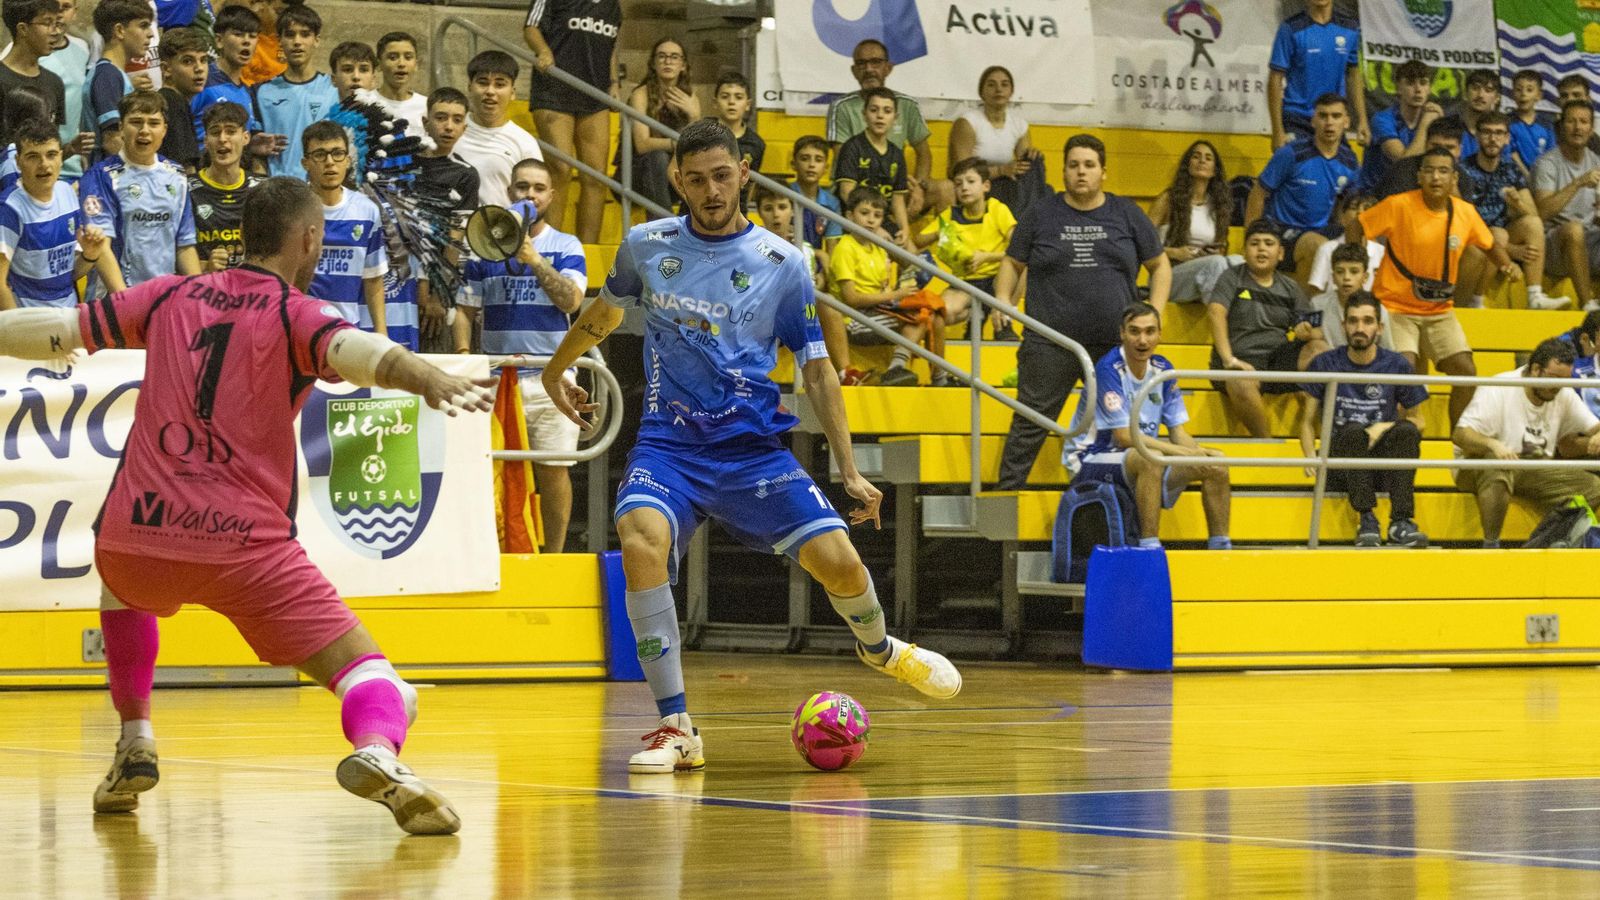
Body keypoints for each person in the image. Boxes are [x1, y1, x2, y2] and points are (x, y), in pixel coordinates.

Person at [0, 175, 498, 834]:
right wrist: (424, 373)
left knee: (122, 592)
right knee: (375, 680)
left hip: (138, 532)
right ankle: (378, 751)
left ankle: (137, 736)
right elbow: (358, 354)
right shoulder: (300, 311)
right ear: (309, 238)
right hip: (246, 546)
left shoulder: (171, 293)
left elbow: (60, 332)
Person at [539, 119, 962, 774]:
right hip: (669, 447)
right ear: (678, 181)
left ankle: (879, 651)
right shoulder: (646, 246)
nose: (711, 190)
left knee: (844, 567)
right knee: (640, 539)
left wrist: (849, 469)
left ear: (743, 173)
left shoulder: (783, 263)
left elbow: (818, 368)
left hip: (752, 451)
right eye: (697, 178)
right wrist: (554, 367)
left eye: (722, 174)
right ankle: (675, 726)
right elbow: (605, 310)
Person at [995, 134, 1169, 489]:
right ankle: (1006, 494)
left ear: (1103, 171)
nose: (1081, 172)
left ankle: (1118, 495)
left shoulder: (1126, 213)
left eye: (1089, 165)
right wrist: (1002, 300)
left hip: (1114, 344)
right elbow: (1013, 262)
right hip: (1049, 341)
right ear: (1064, 171)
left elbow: (1161, 266)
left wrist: (1153, 315)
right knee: (1031, 420)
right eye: (1073, 165)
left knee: (1119, 425)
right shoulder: (1041, 212)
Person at [458, 164, 587, 552]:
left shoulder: (567, 246)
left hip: (552, 380)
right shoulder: (484, 243)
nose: (530, 195)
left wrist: (533, 258)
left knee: (554, 471)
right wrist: (466, 357)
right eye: (522, 187)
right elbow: (465, 308)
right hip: (498, 380)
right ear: (510, 192)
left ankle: (555, 555)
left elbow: (571, 300)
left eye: (539, 188)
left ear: (550, 196)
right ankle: (492, 552)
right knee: (491, 471)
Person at [1068, 303, 1231, 549]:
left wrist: (1198, 454)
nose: (1142, 340)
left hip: (1140, 458)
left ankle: (1221, 548)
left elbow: (1178, 432)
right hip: (1091, 457)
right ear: (1122, 333)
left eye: (1149, 331)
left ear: (1159, 334)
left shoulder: (1163, 369)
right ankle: (1149, 547)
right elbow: (1124, 437)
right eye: (1134, 332)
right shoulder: (1107, 368)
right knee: (1151, 458)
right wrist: (1186, 454)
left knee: (1216, 464)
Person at [1357, 147, 1491, 425]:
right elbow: (1357, 227)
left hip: (1439, 310)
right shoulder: (1397, 204)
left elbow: (1488, 245)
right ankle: (1401, 438)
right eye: (1429, 170)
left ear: (1454, 178)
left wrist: (1509, 260)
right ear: (1419, 176)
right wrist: (1355, 256)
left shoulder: (1465, 212)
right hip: (1396, 307)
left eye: (1443, 171)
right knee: (1403, 371)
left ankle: (1459, 440)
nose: (1435, 177)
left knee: (1467, 371)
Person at [1300, 291, 1428, 547]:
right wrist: (1309, 456)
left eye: (1368, 321)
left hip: (1380, 460)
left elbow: (1419, 421)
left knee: (1406, 432)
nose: (1360, 328)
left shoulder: (1396, 365)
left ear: (1379, 328)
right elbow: (1306, 421)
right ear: (1343, 325)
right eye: (1353, 321)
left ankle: (1400, 523)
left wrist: (1381, 427)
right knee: (1352, 432)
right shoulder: (1325, 363)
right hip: (1342, 459)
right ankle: (1366, 519)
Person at [1454, 338, 1600, 548]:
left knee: (1593, 486)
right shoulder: (1500, 387)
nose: (1557, 387)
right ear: (1535, 369)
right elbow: (1461, 435)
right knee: (1497, 465)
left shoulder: (1563, 393)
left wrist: (1597, 435)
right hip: (1479, 465)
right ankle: (1491, 546)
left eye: (1563, 381)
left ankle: (1547, 538)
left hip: (1532, 467)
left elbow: (1593, 427)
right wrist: (1493, 445)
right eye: (1553, 379)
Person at [1207, 218, 1327, 438]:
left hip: (1275, 362)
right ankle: (1265, 443)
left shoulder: (1290, 287)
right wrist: (1229, 360)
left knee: (1320, 348)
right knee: (1238, 380)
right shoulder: (1231, 278)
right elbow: (1216, 313)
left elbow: (1315, 329)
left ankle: (1325, 425)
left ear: (1280, 253)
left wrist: (1306, 330)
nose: (1261, 248)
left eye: (1268, 243)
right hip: (1239, 360)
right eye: (1254, 243)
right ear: (1244, 252)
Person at [79, 91, 200, 291]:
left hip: (162, 298)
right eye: (136, 122)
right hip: (115, 297)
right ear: (121, 128)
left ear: (164, 130)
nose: (144, 130)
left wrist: (199, 294)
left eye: (153, 123)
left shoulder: (177, 174)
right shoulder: (100, 176)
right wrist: (125, 303)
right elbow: (101, 247)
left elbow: (185, 244)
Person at [523, 0, 620, 243]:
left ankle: (587, 251)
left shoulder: (613, 6)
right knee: (560, 169)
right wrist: (544, 51)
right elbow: (531, 26)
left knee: (596, 177)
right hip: (554, 90)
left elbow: (611, 46)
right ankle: (548, 246)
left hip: (594, 95)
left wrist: (613, 81)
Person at [0, 119, 124, 308]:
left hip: (69, 316)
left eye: (51, 155)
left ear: (60, 156)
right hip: (29, 319)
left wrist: (90, 256)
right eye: (33, 156)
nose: (44, 164)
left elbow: (70, 275)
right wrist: (18, 328)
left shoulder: (67, 193)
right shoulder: (9, 208)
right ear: (18, 161)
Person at [1246, 93, 1360, 287]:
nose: (1329, 122)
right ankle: (1303, 311)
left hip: (1322, 230)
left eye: (1336, 116)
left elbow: (1345, 206)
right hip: (1283, 232)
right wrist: (1249, 239)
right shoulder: (1291, 154)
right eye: (1323, 116)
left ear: (1347, 122)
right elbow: (1259, 193)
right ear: (1313, 121)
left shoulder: (1350, 162)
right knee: (1317, 246)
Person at [830, 188, 936, 386]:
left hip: (875, 312)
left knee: (927, 310)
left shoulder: (879, 248)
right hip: (853, 319)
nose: (871, 220)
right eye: (864, 213)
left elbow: (885, 289)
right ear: (849, 216)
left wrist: (898, 296)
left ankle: (905, 369)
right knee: (920, 316)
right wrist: (895, 295)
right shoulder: (845, 247)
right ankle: (899, 368)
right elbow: (851, 299)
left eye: (877, 216)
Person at [1460, 111, 1561, 309]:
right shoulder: (1463, 170)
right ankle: (1476, 300)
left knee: (1532, 223)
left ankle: (1535, 296)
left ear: (1507, 139)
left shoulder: (1510, 169)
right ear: (1478, 136)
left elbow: (1533, 215)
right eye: (1487, 132)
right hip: (1473, 241)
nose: (1492, 139)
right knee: (1497, 235)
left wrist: (1518, 204)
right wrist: (1511, 251)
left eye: (1499, 133)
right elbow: (1463, 223)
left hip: (1502, 237)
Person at [302, 119, 388, 338]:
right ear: (305, 163)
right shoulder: (292, 209)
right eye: (320, 155)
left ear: (348, 160)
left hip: (348, 333)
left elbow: (373, 278)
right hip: (301, 330)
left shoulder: (367, 211)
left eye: (337, 153)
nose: (330, 162)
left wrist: (381, 333)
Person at [916, 157, 1017, 339]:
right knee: (941, 312)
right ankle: (974, 319)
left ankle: (1004, 324)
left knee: (1021, 267)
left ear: (985, 186)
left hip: (997, 279)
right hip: (965, 283)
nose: (964, 187)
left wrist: (987, 257)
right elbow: (918, 240)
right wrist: (939, 232)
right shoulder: (951, 215)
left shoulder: (996, 209)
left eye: (971, 182)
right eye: (958, 183)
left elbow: (1019, 249)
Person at [416, 86, 479, 353]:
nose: (449, 126)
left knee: (435, 356)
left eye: (457, 119)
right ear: (425, 122)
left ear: (465, 126)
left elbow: (456, 238)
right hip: (401, 278)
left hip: (439, 283)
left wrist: (438, 293)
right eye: (441, 117)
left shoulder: (465, 174)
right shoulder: (402, 163)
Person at [825, 39, 932, 189]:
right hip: (855, 188)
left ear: (888, 68)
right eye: (862, 63)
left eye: (876, 62)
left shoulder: (907, 105)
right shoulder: (841, 107)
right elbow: (844, 160)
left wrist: (919, 188)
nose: (869, 69)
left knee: (944, 189)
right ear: (854, 71)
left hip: (894, 186)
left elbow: (924, 155)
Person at [1148, 139, 1241, 303]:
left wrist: (1207, 254)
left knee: (1239, 262)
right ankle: (1222, 319)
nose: (1202, 160)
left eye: (1208, 158)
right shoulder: (1168, 200)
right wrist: (1175, 253)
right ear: (1188, 165)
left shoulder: (1218, 206)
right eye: (1196, 156)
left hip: (1205, 271)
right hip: (1168, 275)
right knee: (1216, 264)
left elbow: (1220, 253)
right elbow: (1142, 244)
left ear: (1214, 171)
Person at [253, 4, 336, 179]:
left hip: (323, 189)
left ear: (317, 40)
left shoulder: (334, 88)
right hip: (280, 190)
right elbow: (258, 152)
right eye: (290, 35)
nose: (297, 41)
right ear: (280, 40)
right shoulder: (262, 91)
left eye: (305, 34)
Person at [1268, 0, 1364, 149]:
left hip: (1331, 118)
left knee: (1345, 169)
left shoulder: (1350, 28)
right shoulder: (1290, 28)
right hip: (1297, 118)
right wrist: (1277, 130)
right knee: (1301, 169)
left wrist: (1362, 119)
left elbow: (1354, 73)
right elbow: (1275, 79)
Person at [14, 0, 92, 181]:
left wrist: (73, 151)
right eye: (48, 18)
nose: (58, 15)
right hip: (30, 170)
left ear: (75, 11)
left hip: (69, 165)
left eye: (65, 8)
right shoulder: (20, 58)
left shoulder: (82, 48)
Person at [453, 50, 543, 207]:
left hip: (501, 230)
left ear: (513, 92)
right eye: (482, 82)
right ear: (469, 86)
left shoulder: (525, 143)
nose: (490, 91)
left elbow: (535, 201)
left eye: (499, 84)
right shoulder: (449, 130)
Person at [1533, 100, 1600, 310]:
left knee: (1582, 230)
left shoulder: (1596, 161)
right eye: (1571, 121)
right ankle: (1587, 303)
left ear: (1591, 128)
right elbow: (1541, 212)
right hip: (1554, 244)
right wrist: (1578, 183)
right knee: (1573, 229)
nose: (1578, 127)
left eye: (1583, 122)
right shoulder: (1547, 163)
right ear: (1562, 126)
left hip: (1589, 240)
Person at [947, 65, 1039, 213]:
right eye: (991, 84)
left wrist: (1032, 158)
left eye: (1004, 84)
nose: (998, 89)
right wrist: (1001, 170)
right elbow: (962, 171)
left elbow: (1023, 169)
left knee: (1037, 182)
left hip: (1005, 186)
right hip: (972, 187)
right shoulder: (967, 122)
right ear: (981, 93)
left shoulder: (1020, 125)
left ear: (1011, 92)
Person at [622, 37, 698, 214]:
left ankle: (691, 228)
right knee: (657, 158)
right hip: (637, 174)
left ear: (683, 65)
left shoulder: (690, 96)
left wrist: (694, 116)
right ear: (653, 64)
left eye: (674, 57)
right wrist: (677, 143)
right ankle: (663, 228)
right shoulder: (640, 94)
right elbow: (642, 144)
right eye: (662, 56)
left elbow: (696, 142)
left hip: (673, 174)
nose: (668, 61)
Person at [831, 86, 911, 247]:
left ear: (895, 117)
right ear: (864, 114)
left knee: (911, 253)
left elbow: (898, 199)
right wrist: (874, 229)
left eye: (887, 111)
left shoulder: (897, 154)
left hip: (880, 217)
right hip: (853, 217)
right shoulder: (852, 147)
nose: (880, 116)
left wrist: (905, 229)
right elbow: (847, 193)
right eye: (874, 110)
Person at [189, 102, 258, 272]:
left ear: (245, 138)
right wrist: (206, 267)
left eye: (231, 131)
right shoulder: (186, 189)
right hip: (203, 290)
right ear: (206, 141)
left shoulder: (261, 190)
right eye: (215, 132)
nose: (222, 139)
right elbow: (173, 254)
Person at [83, 0, 152, 161]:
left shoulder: (115, 73)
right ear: (120, 31)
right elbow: (112, 140)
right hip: (110, 179)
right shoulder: (107, 75)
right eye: (143, 26)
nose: (151, 34)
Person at [1361, 60, 1440, 194]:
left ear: (1429, 88)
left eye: (1423, 83)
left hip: (1412, 196)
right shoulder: (1382, 120)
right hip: (1375, 196)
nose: (1418, 90)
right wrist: (1427, 123)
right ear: (1398, 88)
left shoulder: (1435, 117)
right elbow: (1404, 164)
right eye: (1410, 83)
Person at [0, 0, 67, 150]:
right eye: (47, 23)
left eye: (57, 23)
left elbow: (50, 144)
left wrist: (70, 149)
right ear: (23, 29)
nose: (55, 32)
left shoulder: (54, 82)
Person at [190, 4, 261, 139]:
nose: (246, 41)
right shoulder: (201, 80)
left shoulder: (248, 92)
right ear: (219, 40)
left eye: (252, 36)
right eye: (238, 34)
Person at [1310, 241, 1391, 349]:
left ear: (1365, 277)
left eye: (1354, 271)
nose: (1346, 277)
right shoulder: (1317, 305)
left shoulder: (1379, 310)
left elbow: (1388, 352)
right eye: (1340, 272)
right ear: (1333, 277)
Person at [1306, 191, 1383, 294]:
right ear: (1342, 217)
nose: (1360, 213)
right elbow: (1316, 290)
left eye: (1367, 209)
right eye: (1354, 208)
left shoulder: (1382, 253)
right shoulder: (1327, 249)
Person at [155, 26, 206, 173]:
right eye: (188, 61)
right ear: (166, 69)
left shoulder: (168, 99)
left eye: (203, 60)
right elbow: (184, 167)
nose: (199, 68)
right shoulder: (173, 102)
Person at [713, 71, 762, 206]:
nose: (731, 102)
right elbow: (674, 169)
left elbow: (750, 184)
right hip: (697, 208)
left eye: (738, 97)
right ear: (715, 102)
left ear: (748, 104)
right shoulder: (699, 131)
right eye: (725, 96)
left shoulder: (756, 143)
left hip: (737, 211)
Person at [373, 31, 426, 143]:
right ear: (379, 65)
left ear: (416, 64)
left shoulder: (426, 106)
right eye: (392, 57)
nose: (401, 63)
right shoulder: (366, 103)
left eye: (408, 57)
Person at [1446, 69, 1506, 162]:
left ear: (1497, 98)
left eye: (1488, 90)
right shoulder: (1448, 125)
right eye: (1475, 88)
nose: (1480, 95)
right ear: (1466, 92)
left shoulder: (1500, 131)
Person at [1509, 70, 1556, 177]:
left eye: (1529, 90)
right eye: (1518, 89)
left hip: (1542, 177)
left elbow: (1551, 153)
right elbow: (1512, 154)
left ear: (1539, 95)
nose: (1523, 94)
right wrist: (1527, 176)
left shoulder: (1547, 124)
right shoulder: (1507, 122)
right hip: (1516, 177)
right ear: (1512, 94)